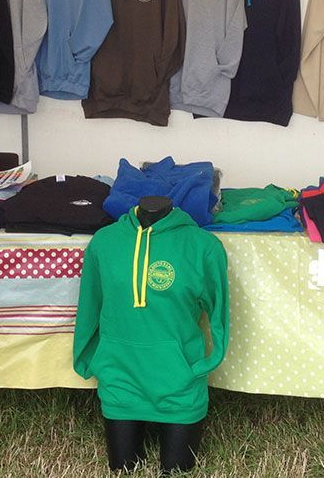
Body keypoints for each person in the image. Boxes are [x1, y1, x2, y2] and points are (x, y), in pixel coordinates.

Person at [73, 195, 229, 474]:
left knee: (178, 470)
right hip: (119, 380)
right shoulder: (104, 242)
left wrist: (205, 364)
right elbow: (89, 307)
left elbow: (220, 314)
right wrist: (88, 359)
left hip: (180, 383)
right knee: (122, 468)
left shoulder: (203, 246)